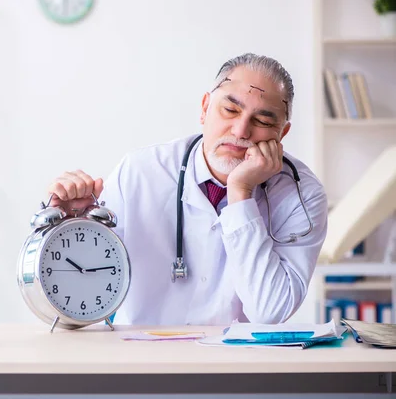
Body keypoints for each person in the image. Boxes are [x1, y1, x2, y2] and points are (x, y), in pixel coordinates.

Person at [47, 53, 328, 325]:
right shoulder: (140, 172)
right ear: (204, 108)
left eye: (263, 122)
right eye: (230, 110)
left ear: (282, 133)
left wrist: (240, 192)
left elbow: (270, 311)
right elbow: (77, 290)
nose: (241, 131)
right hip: (141, 361)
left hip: (237, 366)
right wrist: (70, 227)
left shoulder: (302, 195)